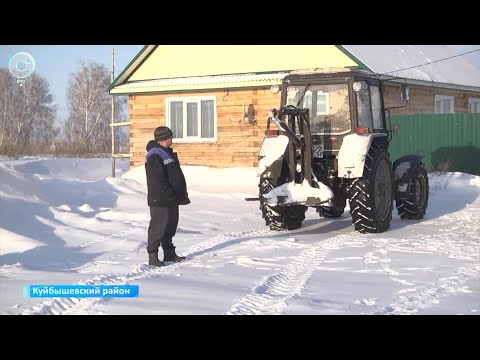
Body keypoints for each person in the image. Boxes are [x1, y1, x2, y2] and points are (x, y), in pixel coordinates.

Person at [145, 126, 190, 267]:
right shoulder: (154, 154)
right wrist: (169, 193)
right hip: (161, 199)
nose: (172, 139)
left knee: (170, 227)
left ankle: (169, 254)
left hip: (170, 198)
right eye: (170, 137)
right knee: (158, 228)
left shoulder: (165, 152)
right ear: (164, 139)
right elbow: (157, 180)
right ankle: (153, 257)